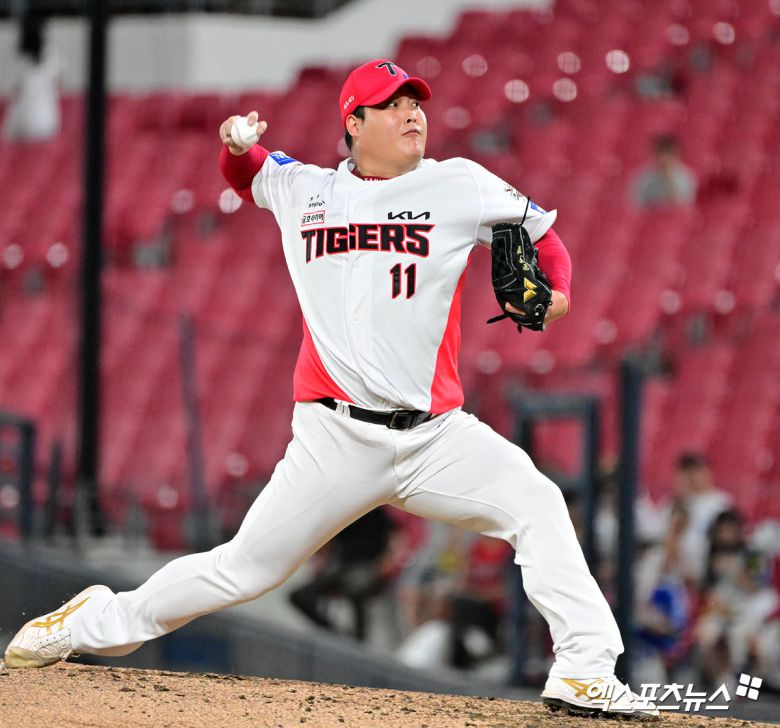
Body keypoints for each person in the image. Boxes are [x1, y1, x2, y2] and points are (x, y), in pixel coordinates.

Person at [4, 59, 656, 719]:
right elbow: (248, 174)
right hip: (334, 437)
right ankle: (91, 622)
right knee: (243, 570)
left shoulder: (459, 183)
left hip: (435, 436)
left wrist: (557, 298)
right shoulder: (306, 189)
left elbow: (545, 239)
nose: (413, 113)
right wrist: (236, 145)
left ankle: (585, 668)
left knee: (537, 502)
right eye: (393, 104)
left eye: (415, 102)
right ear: (355, 122)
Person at [2, 10, 61, 143]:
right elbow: (59, 82)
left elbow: (14, 89)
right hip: (47, 122)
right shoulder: (51, 55)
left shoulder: (17, 56)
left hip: (23, 122)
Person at [632, 135, 697, 208]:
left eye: (668, 154)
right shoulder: (644, 177)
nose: (664, 159)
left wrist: (670, 181)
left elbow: (686, 205)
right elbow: (636, 204)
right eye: (661, 154)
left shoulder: (686, 177)